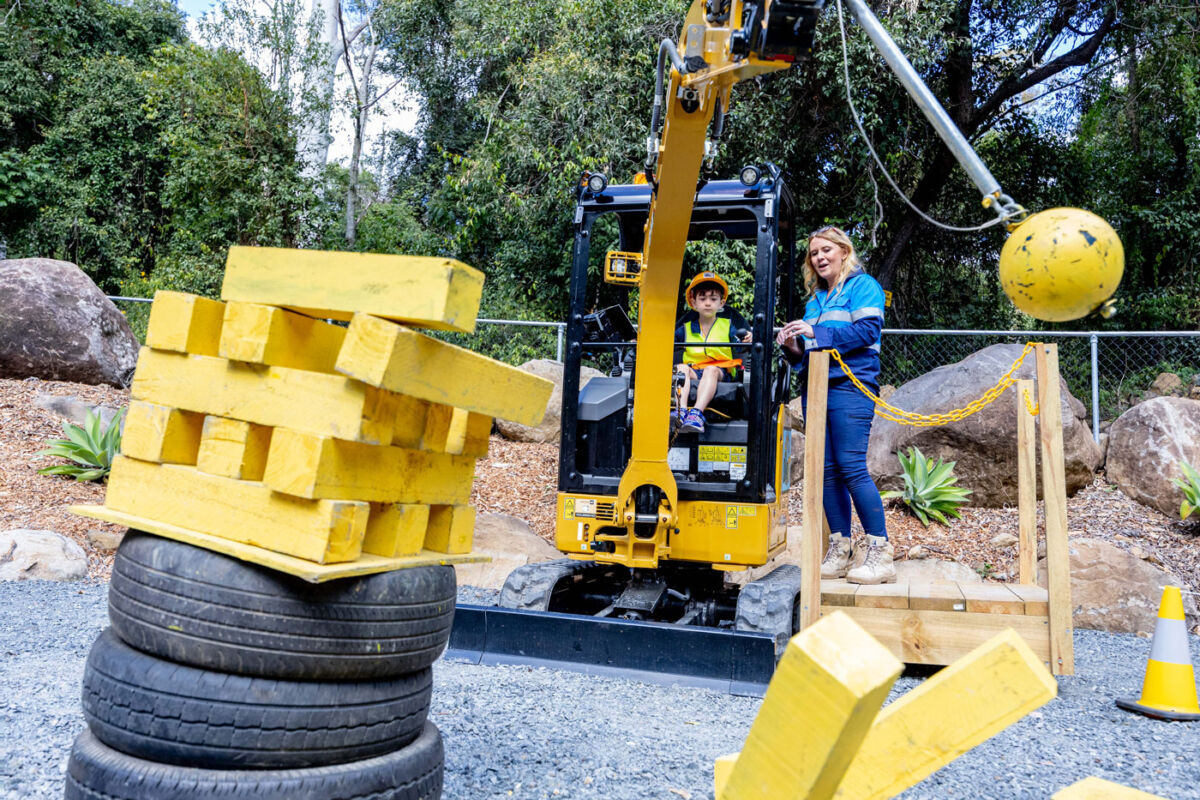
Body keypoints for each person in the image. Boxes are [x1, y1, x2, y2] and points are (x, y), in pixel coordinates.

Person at [776, 226, 893, 585]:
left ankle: (880, 551)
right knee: (825, 469)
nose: (819, 257)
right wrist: (791, 343)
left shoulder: (863, 286)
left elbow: (867, 332)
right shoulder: (815, 300)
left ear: (844, 251)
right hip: (817, 388)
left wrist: (816, 333)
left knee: (850, 465)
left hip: (851, 386)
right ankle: (840, 549)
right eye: (814, 253)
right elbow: (805, 355)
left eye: (826, 250)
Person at [673, 271, 751, 434]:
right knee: (681, 368)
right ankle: (680, 412)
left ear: (721, 303)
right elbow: (667, 340)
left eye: (713, 299)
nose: (708, 303)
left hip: (720, 371)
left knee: (711, 370)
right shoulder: (685, 329)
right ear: (693, 302)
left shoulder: (727, 325)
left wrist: (747, 339)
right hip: (695, 369)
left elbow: (739, 342)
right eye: (702, 298)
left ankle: (697, 414)